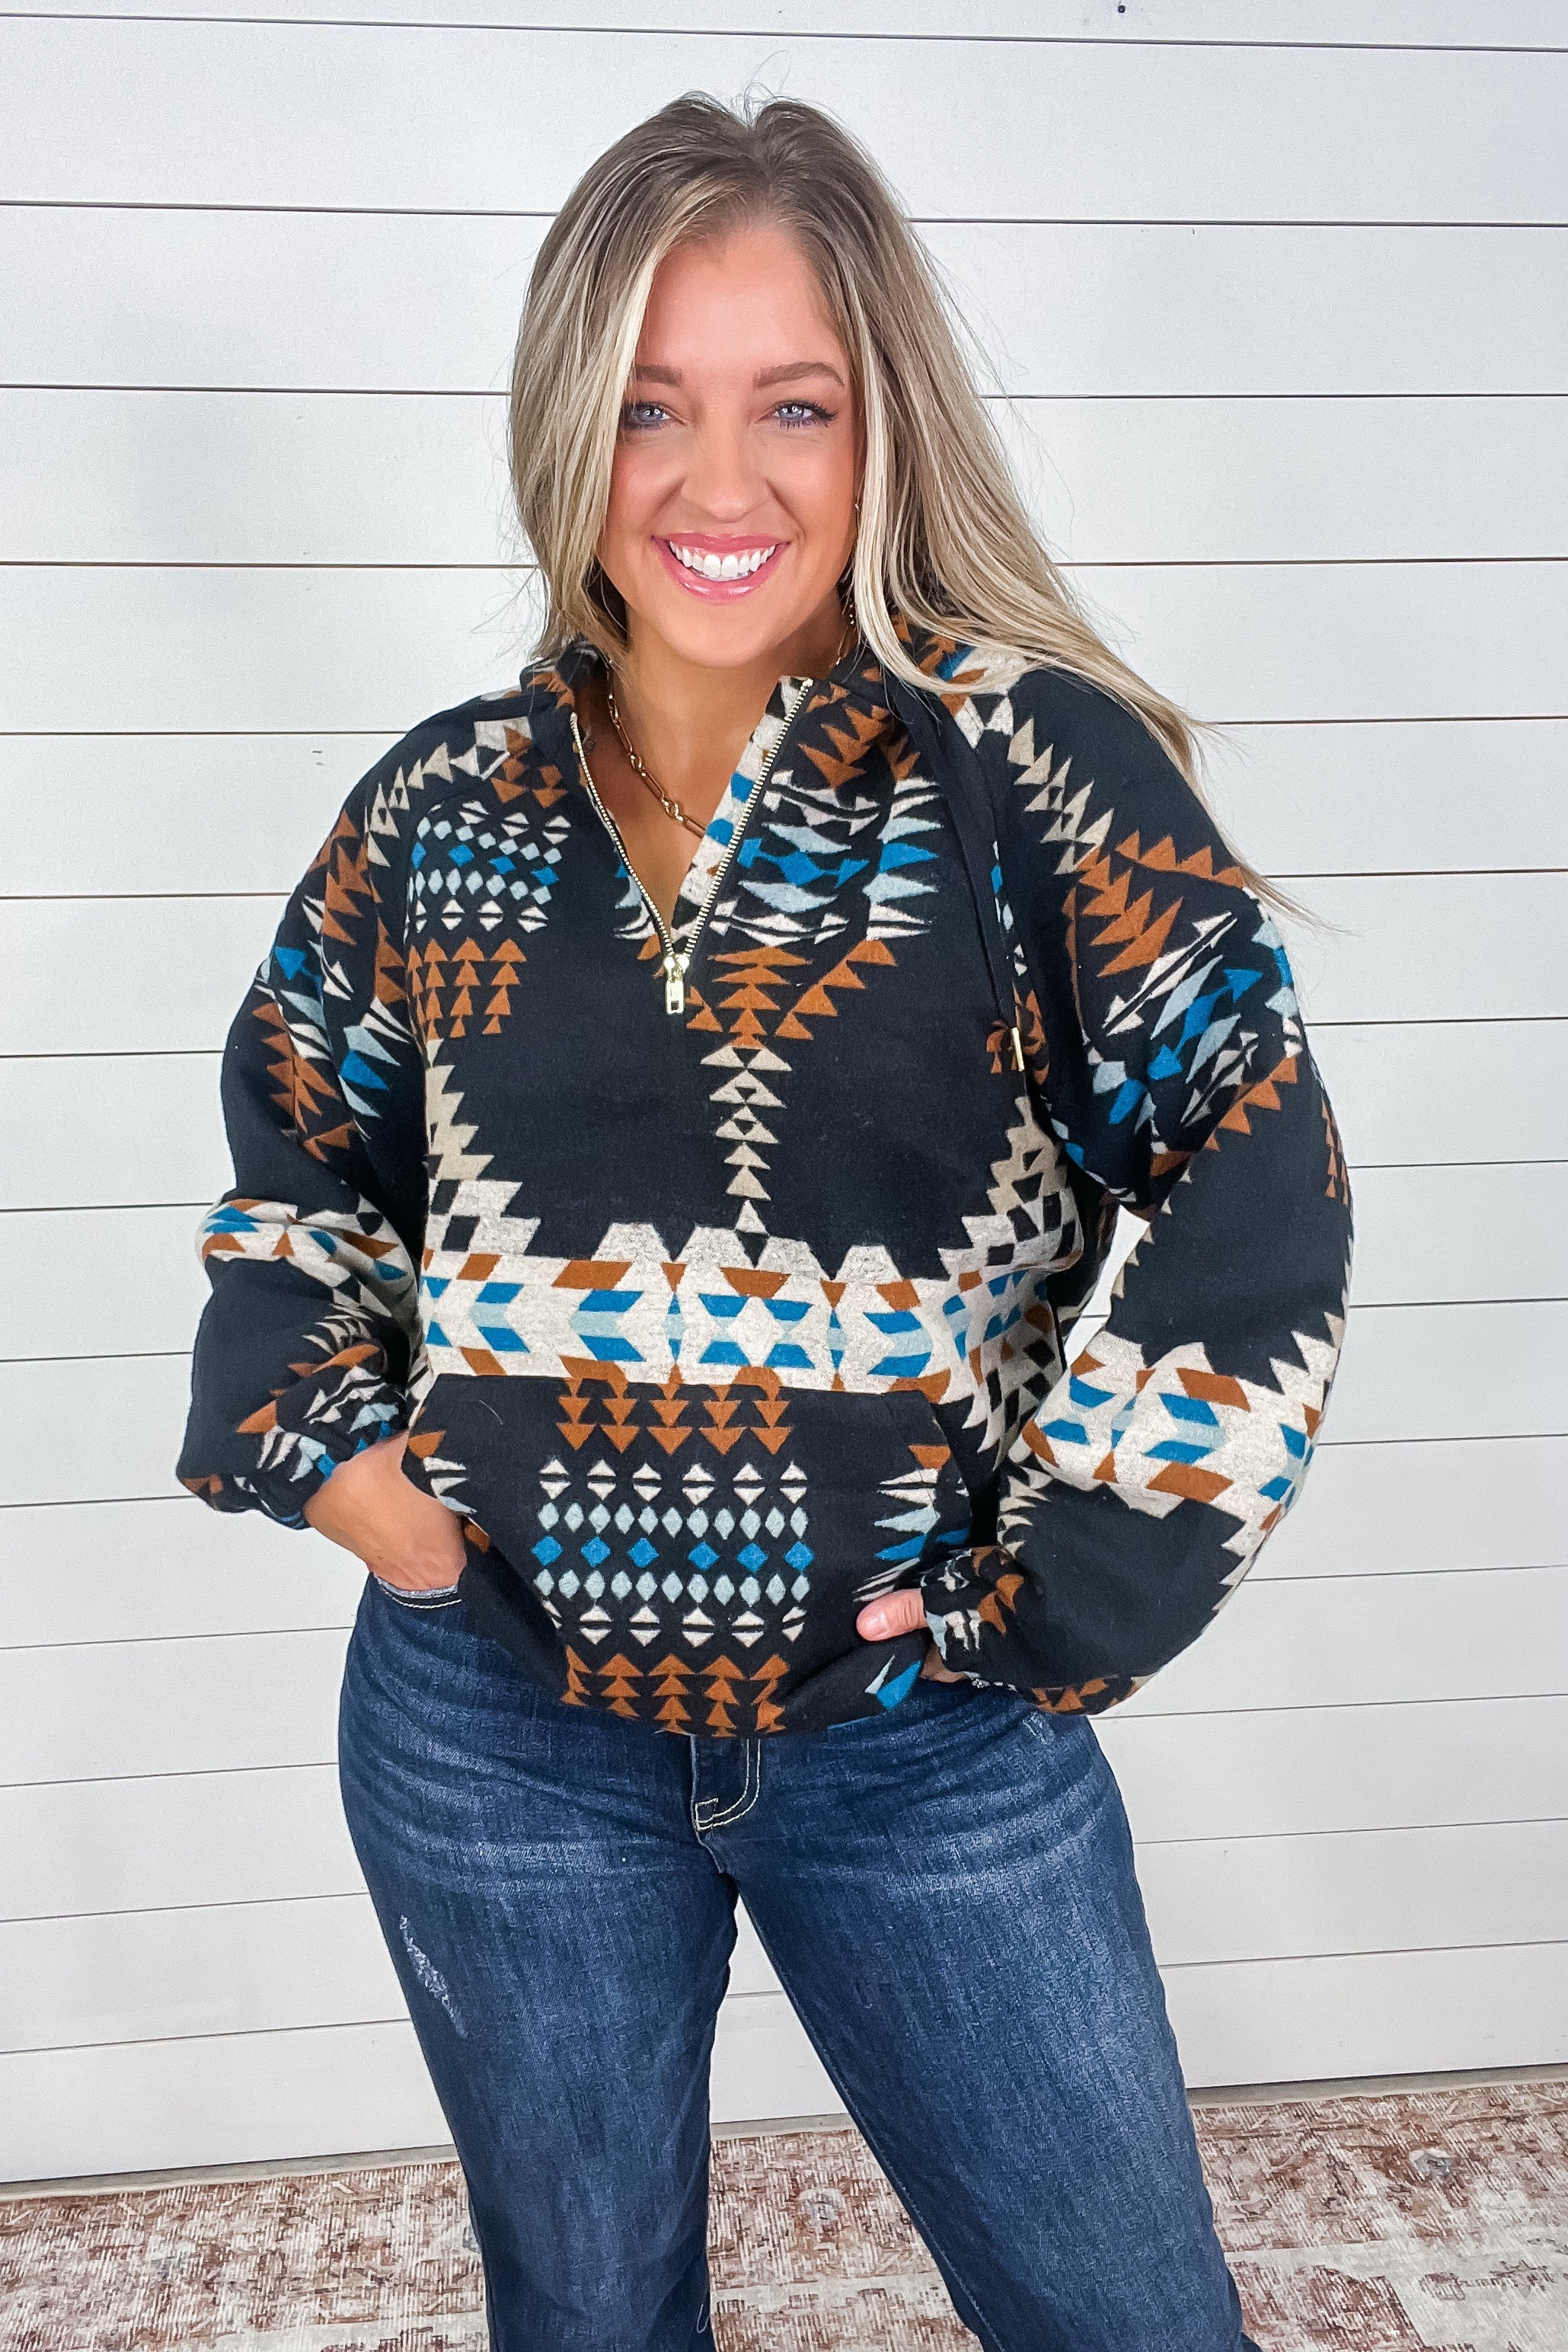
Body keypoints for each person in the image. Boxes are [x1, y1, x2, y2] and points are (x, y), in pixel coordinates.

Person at [177, 91, 1351, 2352]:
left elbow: (1253, 1166)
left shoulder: (1025, 775)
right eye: (650, 406)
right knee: (587, 2314)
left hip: (919, 1736)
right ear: (568, 428)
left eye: (791, 405)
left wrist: (1058, 1591)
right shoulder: (446, 804)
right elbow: (298, 1151)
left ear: (881, 421)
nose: (720, 485)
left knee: (1125, 2314)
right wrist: (348, 1475)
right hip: (492, 1723)